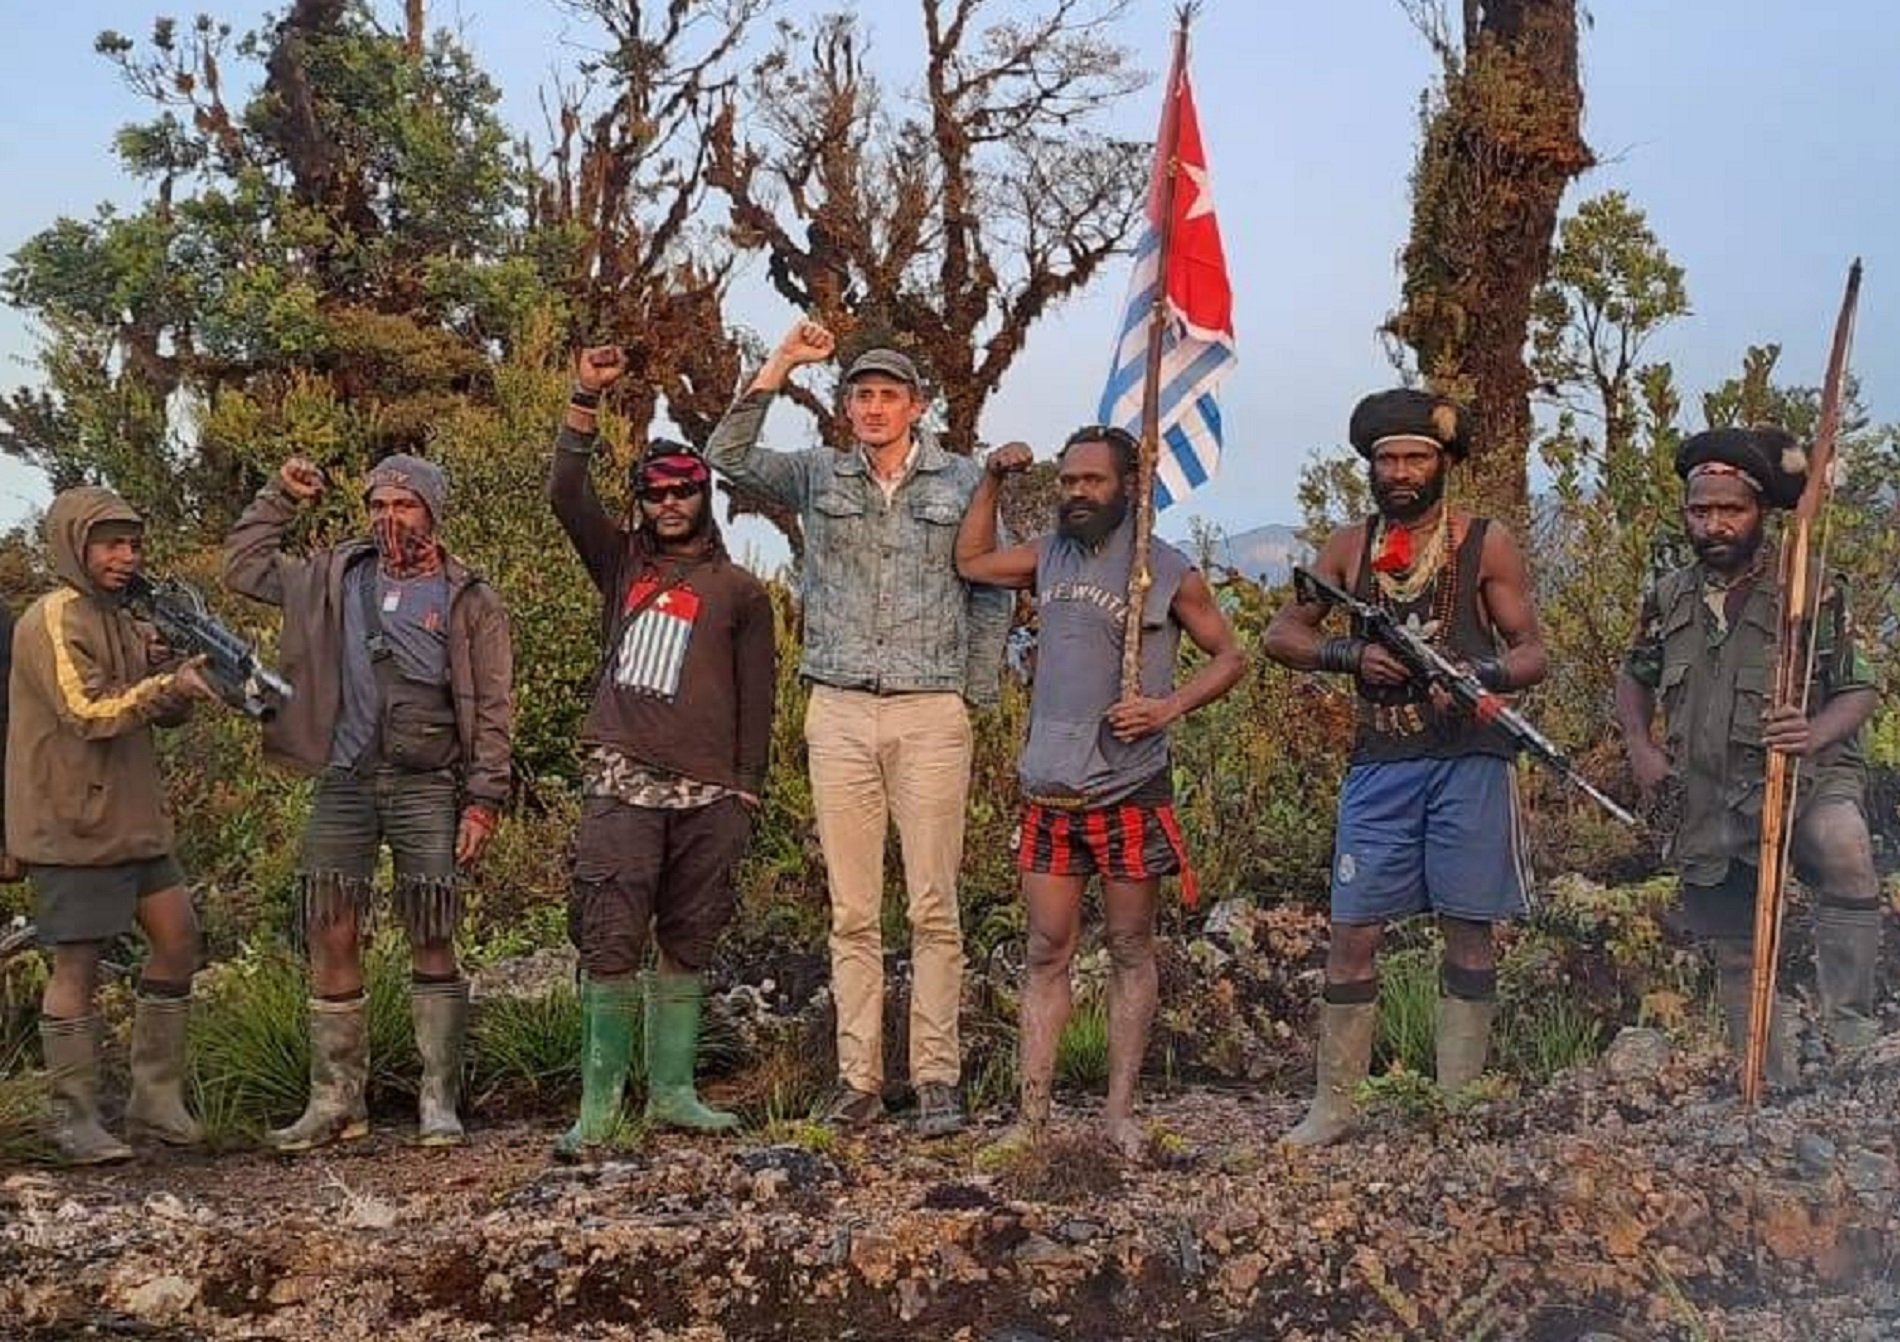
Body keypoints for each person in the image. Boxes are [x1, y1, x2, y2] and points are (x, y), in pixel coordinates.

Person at [706, 320, 1011, 1136]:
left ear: (917, 406)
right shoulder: (816, 475)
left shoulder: (962, 481)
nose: (874, 408)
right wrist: (779, 364)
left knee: (934, 906)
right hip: (838, 705)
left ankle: (937, 1075)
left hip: (929, 708)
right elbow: (726, 457)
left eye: (888, 395)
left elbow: (991, 587)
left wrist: (970, 693)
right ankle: (859, 1079)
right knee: (852, 909)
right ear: (844, 407)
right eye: (861, 395)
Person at [1263, 388, 1548, 1147]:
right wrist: (1350, 654)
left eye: (1415, 457)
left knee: (1468, 928)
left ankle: (1458, 1105)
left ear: (1444, 463)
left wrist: (1476, 674)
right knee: (1352, 931)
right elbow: (1281, 634)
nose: (1399, 471)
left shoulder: (1485, 542)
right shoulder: (1349, 547)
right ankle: (1334, 1107)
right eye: (1386, 458)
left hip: (1470, 759)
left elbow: (1533, 652)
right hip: (1382, 760)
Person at [955, 426, 1245, 1157]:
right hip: (1048, 786)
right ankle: (1032, 1120)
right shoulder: (1047, 555)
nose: (1078, 492)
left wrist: (1167, 707)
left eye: (1094, 481)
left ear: (1128, 487)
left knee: (1128, 947)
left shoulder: (1166, 569)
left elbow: (1231, 655)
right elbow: (972, 561)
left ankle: (1119, 1115)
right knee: (1046, 949)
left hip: (1130, 785)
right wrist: (991, 481)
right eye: (1069, 480)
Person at [223, 452, 514, 1150]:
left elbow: (497, 705)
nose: (389, 518)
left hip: (427, 782)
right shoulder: (333, 578)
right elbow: (241, 567)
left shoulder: (469, 595)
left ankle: (438, 1100)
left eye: (403, 505)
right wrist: (279, 496)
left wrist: (484, 800)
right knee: (331, 926)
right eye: (377, 506)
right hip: (344, 778)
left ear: (432, 512)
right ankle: (336, 1103)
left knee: (432, 928)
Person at [548, 346, 777, 1156]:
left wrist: (747, 791)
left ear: (704, 499)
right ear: (640, 502)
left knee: (690, 933)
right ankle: (600, 1107)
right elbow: (564, 493)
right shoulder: (619, 564)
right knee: (610, 930)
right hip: (620, 774)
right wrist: (585, 399)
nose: (672, 502)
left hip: (712, 791)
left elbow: (761, 697)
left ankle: (674, 1094)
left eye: (685, 491)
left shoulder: (742, 592)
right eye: (657, 493)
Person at [1615, 426, 1882, 1084]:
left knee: (1844, 845)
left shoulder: (1808, 587)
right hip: (1711, 789)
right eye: (1700, 510)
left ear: (1759, 511)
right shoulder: (1669, 595)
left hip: (1808, 774)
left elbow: (1859, 687)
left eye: (1730, 509)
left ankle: (1854, 1034)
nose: (1714, 524)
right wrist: (1641, 745)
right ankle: (1764, 1075)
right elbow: (1634, 675)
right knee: (1736, 946)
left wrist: (1812, 732)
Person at [7, 487, 223, 1163]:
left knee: (179, 938)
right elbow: (87, 711)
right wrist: (168, 686)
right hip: (71, 819)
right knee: (76, 962)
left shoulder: (125, 617)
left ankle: (154, 1103)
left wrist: (176, 674)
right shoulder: (52, 618)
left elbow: (155, 709)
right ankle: (73, 1119)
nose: (126, 557)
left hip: (132, 816)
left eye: (132, 544)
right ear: (75, 545)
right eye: (110, 544)